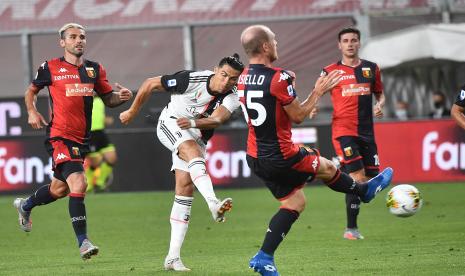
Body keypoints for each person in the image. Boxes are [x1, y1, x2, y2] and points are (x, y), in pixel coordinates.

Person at [238, 25, 393, 276]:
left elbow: (270, 98)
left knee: (294, 202)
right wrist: (317, 91)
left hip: (255, 156)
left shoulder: (243, 76)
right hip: (281, 155)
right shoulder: (278, 78)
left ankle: (264, 257)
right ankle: (363, 191)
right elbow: (298, 115)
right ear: (265, 47)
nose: (277, 43)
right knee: (327, 166)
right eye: (274, 40)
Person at [14, 23, 133, 260]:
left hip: (83, 139)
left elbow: (109, 99)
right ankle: (83, 242)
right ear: (63, 42)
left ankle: (26, 205)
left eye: (82, 37)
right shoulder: (50, 67)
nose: (79, 40)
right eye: (73, 37)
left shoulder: (94, 70)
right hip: (59, 135)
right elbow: (31, 91)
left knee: (59, 190)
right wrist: (31, 111)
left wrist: (122, 98)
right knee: (79, 183)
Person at [119, 54, 244, 271]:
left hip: (195, 135)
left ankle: (172, 257)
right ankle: (213, 203)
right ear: (216, 70)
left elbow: (217, 119)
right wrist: (132, 110)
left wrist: (194, 122)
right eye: (224, 75)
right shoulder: (191, 79)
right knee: (192, 152)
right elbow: (150, 83)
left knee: (185, 188)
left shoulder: (233, 96)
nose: (226, 82)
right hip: (170, 123)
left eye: (232, 79)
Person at [318, 27, 386, 241]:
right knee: (358, 177)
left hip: (367, 132)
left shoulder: (371, 69)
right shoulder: (330, 71)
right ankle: (351, 229)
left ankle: (344, 176)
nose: (350, 44)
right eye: (345, 40)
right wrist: (312, 106)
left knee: (368, 177)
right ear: (339, 45)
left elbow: (380, 94)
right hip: (343, 131)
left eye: (353, 40)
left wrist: (379, 105)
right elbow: (317, 90)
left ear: (359, 43)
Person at [85, 96, 117, 192]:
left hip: (100, 133)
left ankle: (100, 182)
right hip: (90, 134)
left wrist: (105, 120)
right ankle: (88, 184)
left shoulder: (100, 101)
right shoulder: (82, 100)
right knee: (96, 162)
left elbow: (98, 116)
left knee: (112, 158)